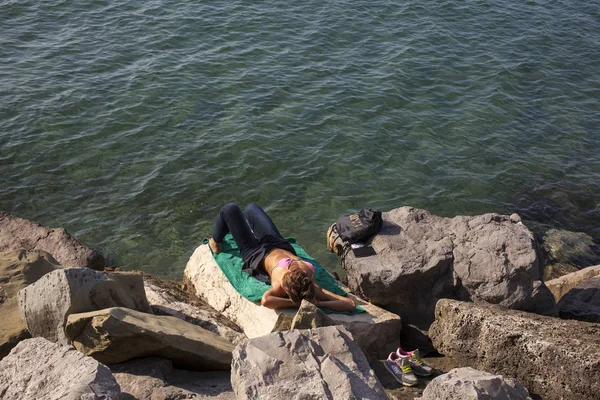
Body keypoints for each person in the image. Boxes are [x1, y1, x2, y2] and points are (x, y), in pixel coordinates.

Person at [208, 203, 356, 312]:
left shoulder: (280, 285)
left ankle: (215, 240)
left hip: (255, 254)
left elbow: (266, 300)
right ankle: (252, 232)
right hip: (279, 244)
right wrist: (317, 302)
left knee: (230, 209)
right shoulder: (310, 284)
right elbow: (349, 303)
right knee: (252, 208)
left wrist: (298, 303)